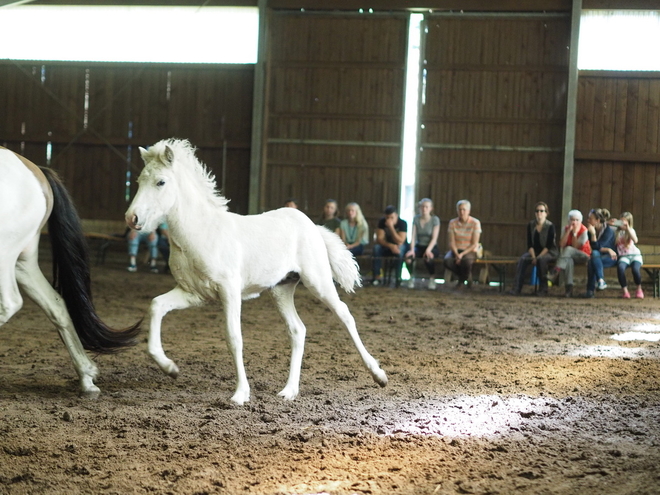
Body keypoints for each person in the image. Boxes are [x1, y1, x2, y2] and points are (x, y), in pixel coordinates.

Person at [510, 201, 558, 296]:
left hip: (549, 252)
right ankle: (517, 288)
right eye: (537, 211)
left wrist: (538, 257)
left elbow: (549, 246)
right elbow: (529, 244)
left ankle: (543, 288)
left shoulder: (550, 226)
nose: (539, 213)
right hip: (534, 252)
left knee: (542, 260)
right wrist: (533, 257)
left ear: (546, 213)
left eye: (541, 211)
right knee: (523, 259)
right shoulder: (530, 225)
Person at [549, 209, 591, 297]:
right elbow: (561, 244)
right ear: (569, 220)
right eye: (572, 220)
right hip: (569, 256)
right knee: (568, 261)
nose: (574, 222)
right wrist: (568, 231)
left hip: (583, 255)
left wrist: (575, 233)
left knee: (568, 249)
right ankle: (569, 289)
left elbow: (575, 247)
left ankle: (556, 270)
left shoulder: (584, 231)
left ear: (580, 221)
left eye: (577, 220)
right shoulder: (565, 229)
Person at [444, 199, 482, 288]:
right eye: (459, 209)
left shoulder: (475, 222)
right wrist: (457, 254)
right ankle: (465, 277)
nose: (461, 212)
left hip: (470, 249)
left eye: (464, 209)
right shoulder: (452, 222)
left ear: (469, 211)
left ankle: (461, 281)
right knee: (447, 261)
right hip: (456, 249)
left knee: (466, 261)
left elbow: (474, 243)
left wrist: (462, 255)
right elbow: (451, 241)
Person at [405, 198, 441, 290]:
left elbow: (434, 238)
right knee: (408, 258)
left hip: (431, 246)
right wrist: (412, 250)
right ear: (419, 208)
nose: (424, 209)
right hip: (419, 246)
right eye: (422, 207)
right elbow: (413, 236)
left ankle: (432, 278)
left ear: (431, 208)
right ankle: (411, 277)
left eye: (426, 207)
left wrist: (428, 250)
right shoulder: (416, 219)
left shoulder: (435, 220)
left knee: (428, 257)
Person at [372, 205, 408, 286]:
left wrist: (391, 227)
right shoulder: (382, 222)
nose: (389, 220)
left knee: (400, 250)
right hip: (387, 246)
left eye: (392, 217)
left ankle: (398, 278)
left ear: (396, 216)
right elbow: (379, 239)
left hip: (400, 246)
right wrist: (391, 246)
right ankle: (376, 277)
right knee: (376, 248)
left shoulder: (402, 223)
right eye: (387, 217)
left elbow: (400, 241)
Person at [584, 208, 617, 298]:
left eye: (590, 219)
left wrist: (594, 235)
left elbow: (598, 246)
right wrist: (606, 249)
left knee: (593, 260)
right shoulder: (590, 231)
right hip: (598, 256)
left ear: (597, 220)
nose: (588, 220)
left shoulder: (608, 231)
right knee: (594, 257)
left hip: (610, 257)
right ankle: (601, 281)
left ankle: (590, 290)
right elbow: (593, 247)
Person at [615, 212, 644, 299]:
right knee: (620, 268)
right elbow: (607, 224)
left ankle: (639, 289)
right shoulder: (616, 232)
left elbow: (635, 240)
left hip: (634, 255)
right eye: (621, 221)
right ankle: (625, 291)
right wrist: (614, 222)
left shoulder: (631, 230)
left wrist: (627, 228)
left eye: (624, 222)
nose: (622, 224)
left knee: (635, 270)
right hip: (623, 256)